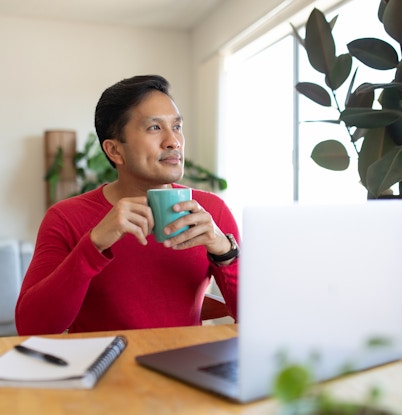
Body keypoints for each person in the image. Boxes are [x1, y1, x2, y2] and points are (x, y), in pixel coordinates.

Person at [15, 75, 239, 335]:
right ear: (114, 151)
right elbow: (32, 326)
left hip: (183, 367)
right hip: (102, 369)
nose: (173, 141)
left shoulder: (212, 211)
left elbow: (257, 317)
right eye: (154, 128)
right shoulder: (65, 217)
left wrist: (224, 250)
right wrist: (94, 243)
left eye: (176, 126)